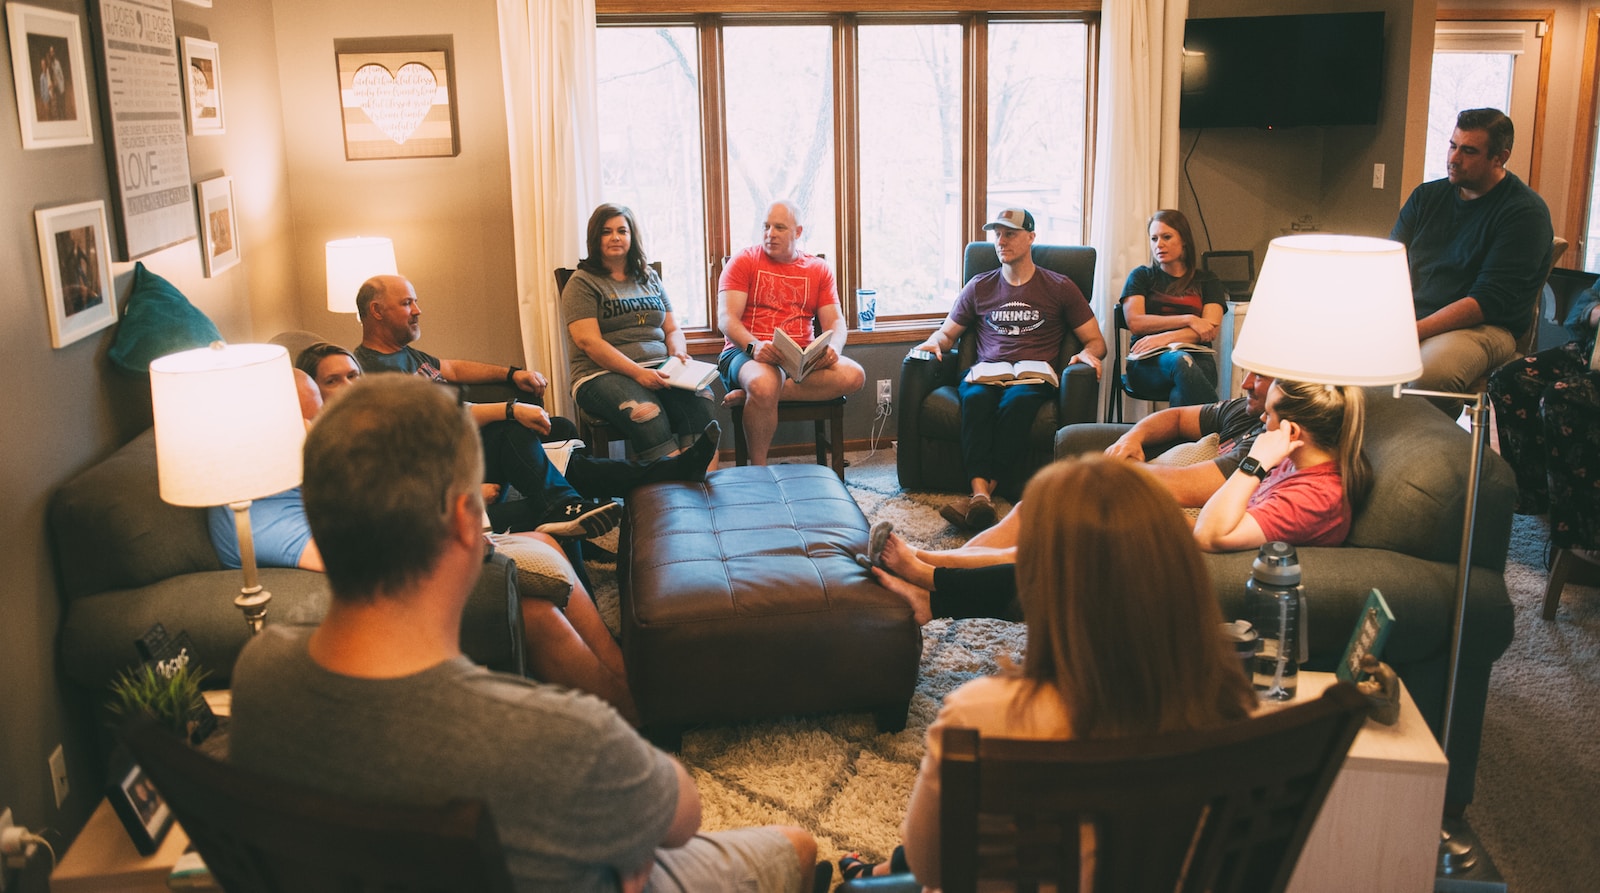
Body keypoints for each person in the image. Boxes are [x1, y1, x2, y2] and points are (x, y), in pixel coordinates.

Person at [229, 375, 818, 892]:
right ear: (467, 524)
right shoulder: (560, 733)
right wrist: (626, 848)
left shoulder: (258, 673)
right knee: (797, 847)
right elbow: (682, 817)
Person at [838, 457, 1255, 883]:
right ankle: (876, 871)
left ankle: (868, 876)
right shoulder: (1232, 709)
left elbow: (932, 864)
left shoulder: (984, 715)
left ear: (1039, 588)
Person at [208, 362, 639, 721]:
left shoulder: (303, 473)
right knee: (536, 608)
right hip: (401, 575)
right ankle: (626, 714)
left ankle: (628, 681)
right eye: (306, 418)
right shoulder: (256, 514)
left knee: (547, 545)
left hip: (412, 540)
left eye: (317, 413)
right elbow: (354, 559)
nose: (316, 425)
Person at [870, 379, 1367, 624]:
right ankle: (933, 575)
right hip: (1176, 536)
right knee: (1048, 531)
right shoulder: (1296, 461)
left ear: (1294, 432)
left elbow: (1212, 532)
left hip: (1193, 560)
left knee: (1060, 553)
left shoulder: (1314, 493)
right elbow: (1182, 427)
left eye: (1272, 419)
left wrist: (1257, 460)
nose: (1263, 426)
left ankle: (933, 584)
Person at [353, 274, 722, 537]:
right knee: (514, 428)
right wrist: (511, 409)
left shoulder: (408, 354)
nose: (418, 310)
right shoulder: (368, 369)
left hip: (466, 446)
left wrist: (513, 373)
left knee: (560, 435)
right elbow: (434, 418)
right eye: (406, 303)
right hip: (446, 459)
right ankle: (563, 504)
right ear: (377, 311)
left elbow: (450, 367)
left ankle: (663, 473)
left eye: (415, 300)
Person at [933, 369, 1276, 556]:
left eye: (1258, 378)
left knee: (1047, 522)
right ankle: (944, 567)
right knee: (1032, 511)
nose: (1244, 383)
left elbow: (1184, 489)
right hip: (1149, 502)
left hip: (1175, 525)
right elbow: (1177, 418)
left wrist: (1100, 472)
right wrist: (1133, 438)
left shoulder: (1264, 448)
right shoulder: (1244, 413)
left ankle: (942, 572)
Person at [913, 208, 1105, 530]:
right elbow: (947, 333)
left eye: (1010, 234)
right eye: (997, 235)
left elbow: (1096, 341)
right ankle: (982, 495)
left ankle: (980, 496)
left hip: (1034, 374)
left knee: (1015, 404)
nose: (1001, 241)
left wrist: (1087, 354)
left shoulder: (1060, 287)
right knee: (974, 401)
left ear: (1031, 237)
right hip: (987, 371)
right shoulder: (979, 286)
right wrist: (933, 343)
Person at [1389, 108, 1554, 406]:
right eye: (1453, 146)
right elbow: (1389, 268)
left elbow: (1486, 301)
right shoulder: (1426, 198)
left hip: (1484, 327)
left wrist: (1412, 332)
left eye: (1469, 151)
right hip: (1414, 316)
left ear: (1499, 158)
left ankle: (1429, 451)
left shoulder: (1525, 213)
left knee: (1429, 374)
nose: (1453, 158)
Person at [563, 203, 716, 462]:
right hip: (600, 374)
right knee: (646, 413)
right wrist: (638, 374)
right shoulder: (582, 282)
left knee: (701, 400)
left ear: (632, 237)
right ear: (594, 238)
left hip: (659, 368)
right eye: (606, 231)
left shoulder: (649, 277)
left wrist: (678, 354)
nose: (615, 237)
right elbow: (588, 342)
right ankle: (668, 494)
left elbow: (672, 328)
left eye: (622, 230)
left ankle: (699, 485)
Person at [717, 200, 866, 465]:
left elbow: (836, 323)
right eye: (766, 226)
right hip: (746, 354)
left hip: (800, 359)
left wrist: (834, 349)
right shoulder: (744, 261)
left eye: (779, 227)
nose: (769, 234)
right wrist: (755, 347)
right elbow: (726, 319)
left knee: (855, 375)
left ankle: (756, 394)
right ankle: (759, 469)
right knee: (764, 382)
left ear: (797, 232)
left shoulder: (818, 270)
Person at [1488, 282, 1600, 557]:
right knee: (1509, 380)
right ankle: (1540, 499)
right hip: (1591, 354)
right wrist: (1594, 312)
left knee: (1559, 399)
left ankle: (1579, 538)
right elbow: (1577, 314)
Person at [1120, 209, 1225, 407]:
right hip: (1148, 362)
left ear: (1184, 239)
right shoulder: (1141, 276)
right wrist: (1189, 319)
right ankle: (1222, 427)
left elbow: (1209, 330)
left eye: (1166, 237)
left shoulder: (1207, 280)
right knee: (1179, 361)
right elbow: (1136, 322)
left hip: (1198, 361)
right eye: (1154, 238)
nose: (1159, 244)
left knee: (1181, 392)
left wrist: (1163, 338)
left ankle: (1185, 437)